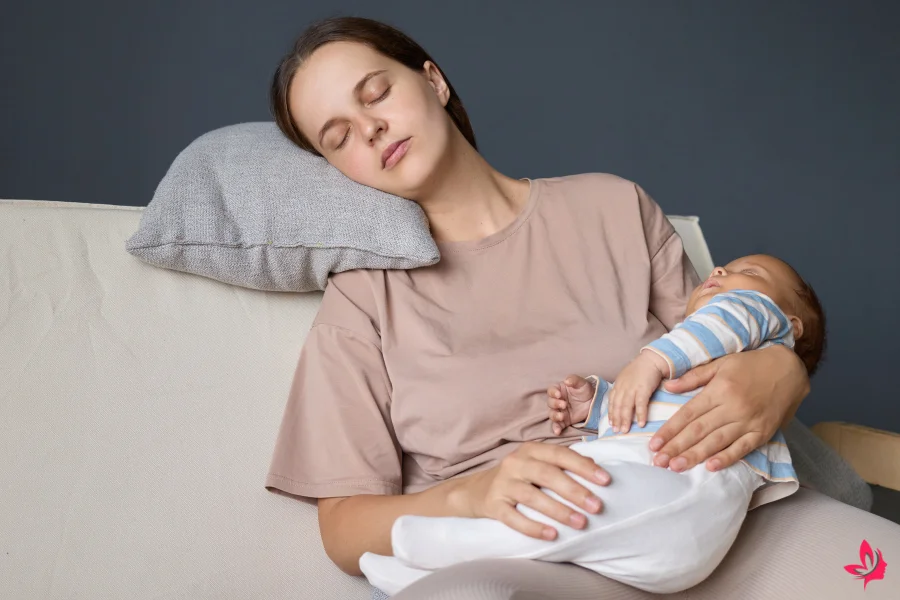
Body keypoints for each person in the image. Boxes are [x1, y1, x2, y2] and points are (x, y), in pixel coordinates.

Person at [263, 15, 846, 598]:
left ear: (433, 81)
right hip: (515, 546)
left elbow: (719, 339)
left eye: (377, 94)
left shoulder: (615, 207)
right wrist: (471, 495)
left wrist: (783, 367)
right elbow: (342, 528)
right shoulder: (363, 296)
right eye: (338, 139)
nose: (368, 129)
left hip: (688, 506)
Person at [356, 254, 826, 595]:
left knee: (597, 508)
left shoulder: (749, 322)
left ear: (790, 322)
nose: (721, 271)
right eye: (719, 267)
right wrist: (596, 406)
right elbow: (639, 417)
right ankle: (437, 560)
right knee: (588, 506)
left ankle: (433, 547)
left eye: (752, 272)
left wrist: (651, 361)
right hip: (644, 481)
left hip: (692, 477)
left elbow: (724, 321)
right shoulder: (689, 355)